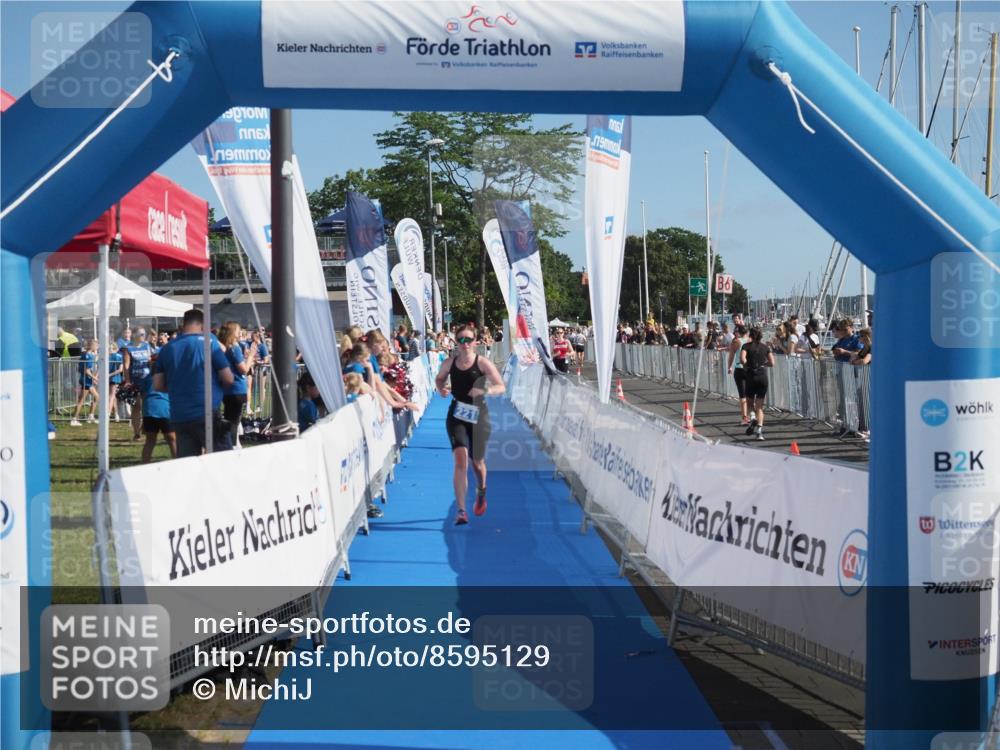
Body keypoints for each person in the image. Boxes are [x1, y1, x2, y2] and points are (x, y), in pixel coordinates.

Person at [434, 325, 506, 526]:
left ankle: (481, 491)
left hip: (479, 415)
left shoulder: (482, 363)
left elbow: (501, 386)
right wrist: (441, 389)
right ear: (456, 342)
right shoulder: (449, 363)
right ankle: (461, 510)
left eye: (468, 339)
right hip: (457, 413)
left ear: (475, 342)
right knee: (460, 460)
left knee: (477, 462)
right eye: (461, 340)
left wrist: (485, 391)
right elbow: (439, 379)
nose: (465, 343)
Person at [152, 308, 235, 457]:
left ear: (183, 324)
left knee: (188, 464)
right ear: (202, 324)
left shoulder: (167, 348)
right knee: (223, 460)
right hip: (207, 412)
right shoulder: (209, 343)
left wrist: (180, 388)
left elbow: (158, 385)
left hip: (180, 414)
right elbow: (228, 378)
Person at [219, 321, 256, 447]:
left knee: (230, 419)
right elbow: (244, 369)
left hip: (228, 390)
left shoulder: (226, 348)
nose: (240, 333)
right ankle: (232, 446)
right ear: (233, 333)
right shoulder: (234, 348)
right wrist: (251, 356)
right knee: (234, 421)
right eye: (238, 330)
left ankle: (230, 444)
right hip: (236, 389)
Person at [741, 327, 775, 441]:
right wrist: (764, 365)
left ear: (750, 335)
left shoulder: (746, 346)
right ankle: (759, 432)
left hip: (751, 376)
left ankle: (752, 417)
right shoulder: (765, 347)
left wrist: (747, 366)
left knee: (750, 403)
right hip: (762, 376)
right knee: (759, 407)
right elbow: (772, 363)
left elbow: (742, 359)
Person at [123, 328, 154, 440]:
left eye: (144, 334)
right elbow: (126, 365)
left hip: (148, 380)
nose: (143, 336)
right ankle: (137, 433)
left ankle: (144, 427)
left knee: (148, 406)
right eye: (141, 334)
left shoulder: (147, 346)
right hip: (134, 381)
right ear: (134, 335)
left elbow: (151, 360)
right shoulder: (128, 348)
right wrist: (127, 381)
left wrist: (152, 361)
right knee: (136, 407)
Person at [140, 388, 176, 463]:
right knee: (172, 440)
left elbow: (143, 395)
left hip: (150, 409)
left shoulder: (146, 380)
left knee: (150, 441)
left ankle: (145, 465)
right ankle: (178, 464)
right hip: (164, 409)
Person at [70, 338, 99, 426]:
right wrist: (95, 378)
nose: (97, 347)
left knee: (96, 397)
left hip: (87, 380)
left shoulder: (86, 354)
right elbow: (87, 370)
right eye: (96, 345)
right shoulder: (88, 356)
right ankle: (74, 419)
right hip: (86, 380)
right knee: (81, 400)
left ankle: (91, 416)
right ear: (92, 346)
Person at [727, 324, 751, 426]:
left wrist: (729, 367)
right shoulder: (751, 341)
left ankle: (745, 417)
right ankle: (752, 415)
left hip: (739, 368)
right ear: (747, 332)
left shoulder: (736, 341)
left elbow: (731, 355)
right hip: (750, 368)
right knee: (750, 393)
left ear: (739, 332)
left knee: (742, 394)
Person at [108, 342, 124, 422]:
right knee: (113, 396)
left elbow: (120, 369)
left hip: (114, 378)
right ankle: (116, 414)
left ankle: (107, 413)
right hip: (110, 377)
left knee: (111, 396)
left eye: (110, 348)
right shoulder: (108, 356)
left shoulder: (118, 356)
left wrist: (109, 375)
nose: (109, 350)